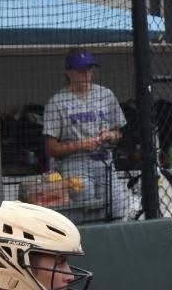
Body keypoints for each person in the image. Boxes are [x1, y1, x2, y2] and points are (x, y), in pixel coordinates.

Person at [42, 49, 124, 221]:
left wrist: (110, 135)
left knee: (116, 209)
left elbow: (119, 134)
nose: (86, 73)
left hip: (105, 161)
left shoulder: (106, 95)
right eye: (81, 69)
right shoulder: (57, 102)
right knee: (87, 214)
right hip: (75, 164)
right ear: (69, 72)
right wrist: (81, 144)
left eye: (89, 68)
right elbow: (50, 148)